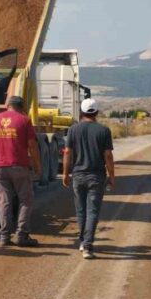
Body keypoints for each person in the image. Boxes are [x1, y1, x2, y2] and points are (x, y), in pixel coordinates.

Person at [0, 96, 42, 247]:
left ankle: (4, 236)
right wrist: (37, 166)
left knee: (4, 201)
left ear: (7, 105)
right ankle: (22, 235)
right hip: (19, 166)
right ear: (22, 107)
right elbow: (32, 145)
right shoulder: (24, 120)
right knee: (25, 200)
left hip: (0, 167)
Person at [62, 98, 114, 259]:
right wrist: (112, 176)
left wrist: (65, 173)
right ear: (96, 112)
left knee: (81, 211)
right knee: (92, 212)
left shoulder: (73, 130)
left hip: (78, 175)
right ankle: (87, 246)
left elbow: (68, 153)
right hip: (96, 176)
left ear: (82, 112)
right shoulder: (104, 130)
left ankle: (83, 241)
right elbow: (108, 156)